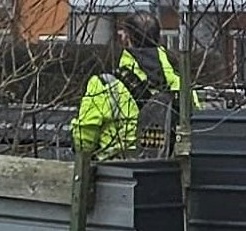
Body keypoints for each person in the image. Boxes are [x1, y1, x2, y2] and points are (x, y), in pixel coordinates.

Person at [71, 17, 188, 157]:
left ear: (126, 39)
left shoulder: (106, 84)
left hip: (115, 172)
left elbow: (84, 140)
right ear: (158, 38)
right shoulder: (182, 86)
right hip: (168, 172)